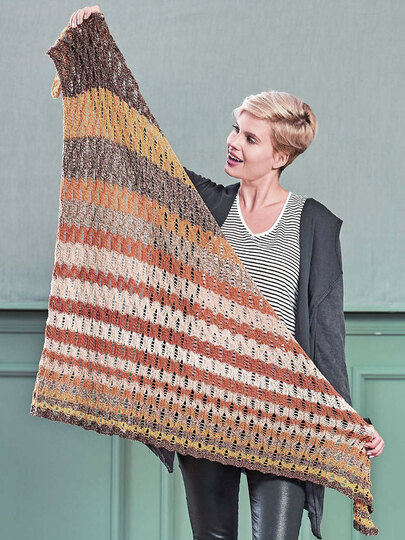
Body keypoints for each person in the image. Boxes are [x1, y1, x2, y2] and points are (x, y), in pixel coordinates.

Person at [70, 7, 385, 540]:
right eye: (235, 128)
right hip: (207, 407)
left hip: (284, 416)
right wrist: (91, 60)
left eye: (251, 138)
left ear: (280, 155)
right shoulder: (205, 206)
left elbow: (326, 337)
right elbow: (136, 150)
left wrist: (351, 421)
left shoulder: (314, 224)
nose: (233, 142)